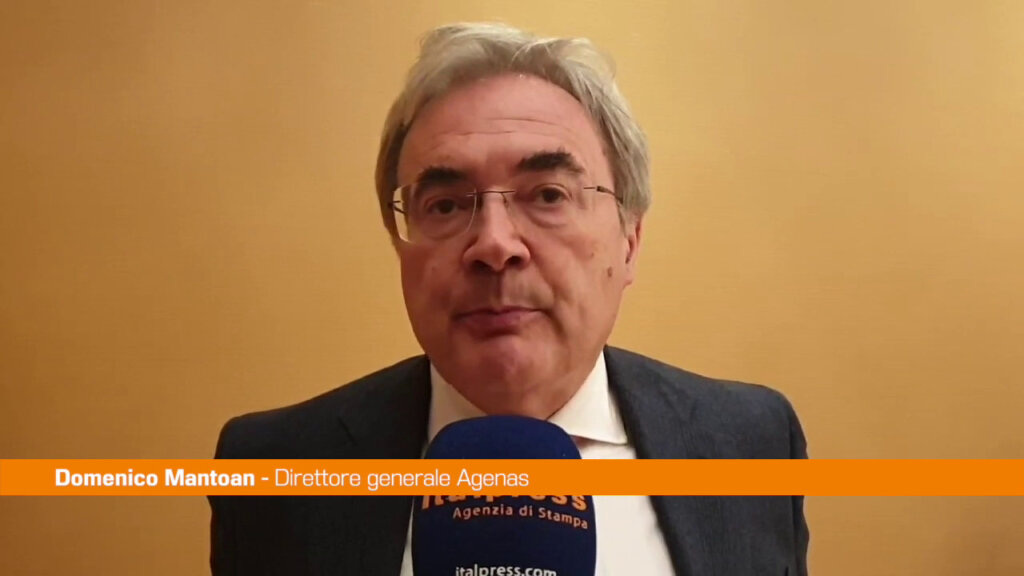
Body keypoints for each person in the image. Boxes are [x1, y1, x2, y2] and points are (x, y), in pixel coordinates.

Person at [209, 22, 809, 576]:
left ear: (629, 240)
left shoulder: (753, 442)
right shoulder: (272, 469)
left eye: (548, 195)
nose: (495, 245)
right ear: (401, 247)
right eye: (445, 205)